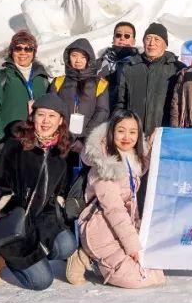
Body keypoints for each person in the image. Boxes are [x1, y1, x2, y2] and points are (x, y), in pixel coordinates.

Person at [66, 111, 165, 288]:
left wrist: (153, 143)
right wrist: (133, 246)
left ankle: (90, 257)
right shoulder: (104, 166)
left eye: (133, 132)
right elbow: (114, 210)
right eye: (121, 131)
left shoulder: (130, 157)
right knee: (137, 278)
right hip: (100, 227)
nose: (127, 137)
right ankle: (85, 255)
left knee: (156, 272)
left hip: (123, 227)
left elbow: (138, 169)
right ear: (112, 132)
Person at [0, 94, 75, 291]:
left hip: (42, 218)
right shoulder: (16, 145)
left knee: (67, 245)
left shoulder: (61, 150)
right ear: (32, 117)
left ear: (60, 120)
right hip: (15, 220)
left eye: (52, 116)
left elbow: (58, 190)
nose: (45, 121)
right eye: (41, 114)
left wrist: (56, 212)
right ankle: (0, 254)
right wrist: (11, 211)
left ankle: (37, 251)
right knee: (42, 281)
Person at [0, 30, 49, 153]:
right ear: (12, 51)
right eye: (18, 48)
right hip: (8, 140)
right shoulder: (1, 74)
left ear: (34, 53)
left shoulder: (42, 78)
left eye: (28, 49)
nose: (23, 52)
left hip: (36, 142)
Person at [114, 22, 185, 138]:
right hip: (133, 136)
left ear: (165, 44)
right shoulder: (130, 67)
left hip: (164, 136)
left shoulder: (177, 68)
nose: (152, 43)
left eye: (157, 39)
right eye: (148, 38)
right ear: (143, 42)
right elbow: (120, 103)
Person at [50, 38, 111, 149]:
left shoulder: (99, 84)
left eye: (83, 57)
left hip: (86, 142)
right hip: (60, 139)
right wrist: (60, 134)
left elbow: (102, 112)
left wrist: (85, 138)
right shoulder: (58, 82)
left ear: (89, 60)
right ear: (68, 57)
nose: (78, 60)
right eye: (74, 55)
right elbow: (51, 111)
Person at [98, 21, 139, 106]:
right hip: (103, 113)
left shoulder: (140, 64)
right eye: (118, 35)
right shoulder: (100, 63)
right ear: (113, 39)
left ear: (134, 41)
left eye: (127, 36)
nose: (122, 38)